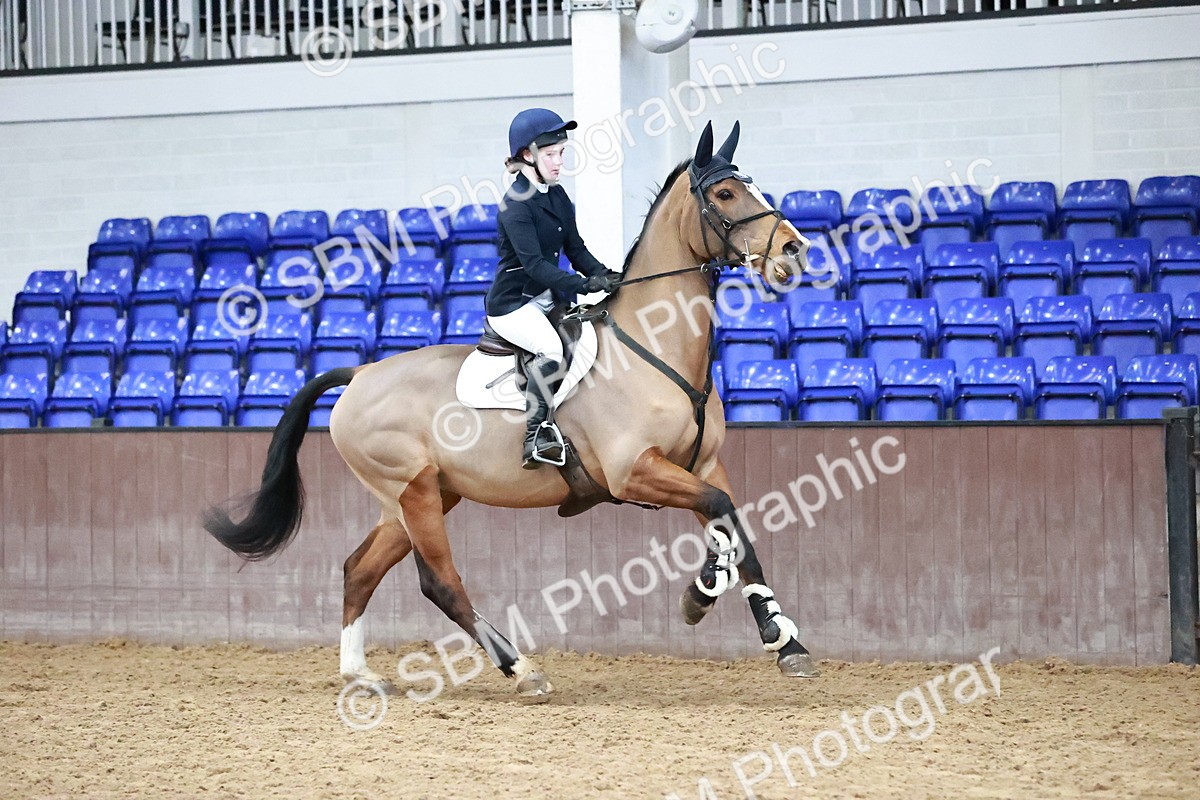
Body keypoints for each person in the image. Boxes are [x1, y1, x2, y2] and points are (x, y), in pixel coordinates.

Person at [484, 108, 621, 469]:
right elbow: (536, 267)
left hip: (547, 298)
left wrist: (606, 274)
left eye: (561, 153)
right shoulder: (514, 206)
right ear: (527, 156)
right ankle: (536, 435)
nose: (559, 162)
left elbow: (575, 248)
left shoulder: (556, 197)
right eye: (551, 155)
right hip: (513, 305)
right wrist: (583, 284)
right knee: (551, 349)